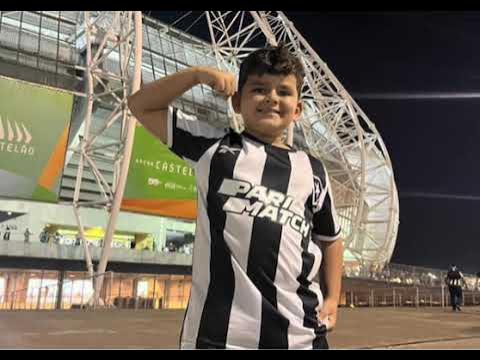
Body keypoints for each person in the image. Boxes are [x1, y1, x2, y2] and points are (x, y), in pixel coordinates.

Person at [128, 44, 344, 349]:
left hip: (301, 337)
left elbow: (331, 238)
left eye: (283, 92)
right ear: (238, 101)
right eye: (259, 89)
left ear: (297, 110)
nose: (271, 98)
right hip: (220, 338)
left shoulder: (313, 171)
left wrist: (334, 297)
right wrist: (196, 75)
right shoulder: (212, 148)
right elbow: (140, 106)